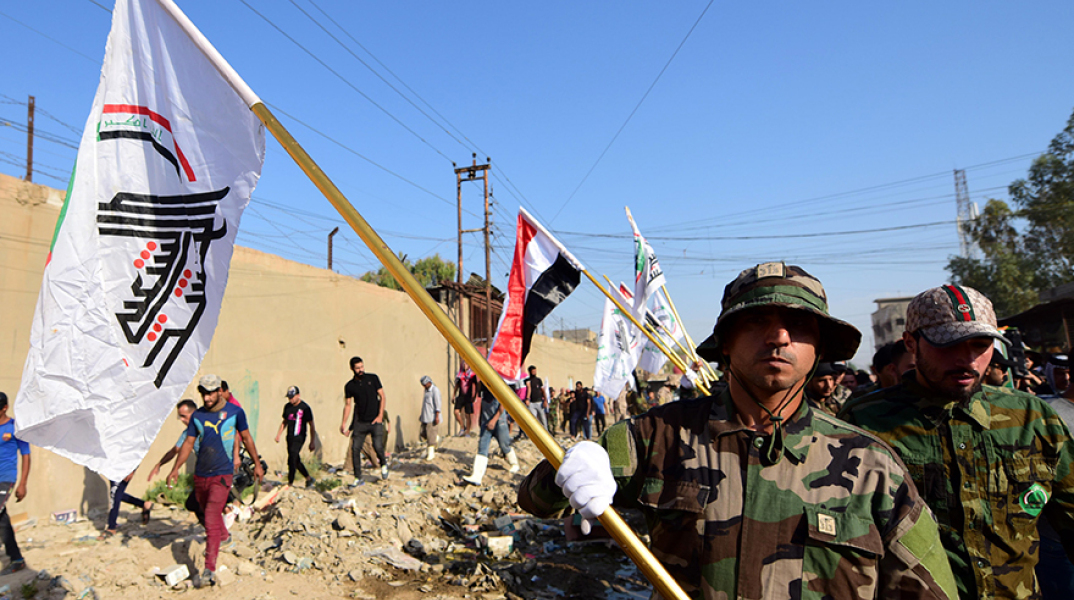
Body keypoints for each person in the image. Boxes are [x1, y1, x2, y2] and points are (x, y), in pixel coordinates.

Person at [518, 262, 956, 599]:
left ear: (819, 348)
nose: (779, 335)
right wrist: (569, 468)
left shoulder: (872, 467)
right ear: (725, 344)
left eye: (798, 325)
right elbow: (536, 501)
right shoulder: (657, 436)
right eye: (756, 321)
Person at [840, 284, 1074, 599]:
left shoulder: (1030, 417)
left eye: (980, 344)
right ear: (911, 342)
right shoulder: (864, 421)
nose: (967, 359)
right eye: (948, 345)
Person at [168, 375, 263, 587]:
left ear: (220, 391)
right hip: (201, 474)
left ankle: (209, 568)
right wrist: (175, 468)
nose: (207, 397)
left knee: (211, 515)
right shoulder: (198, 416)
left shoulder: (235, 412)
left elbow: (246, 438)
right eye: (203, 392)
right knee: (202, 507)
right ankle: (225, 536)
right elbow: (188, 443)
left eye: (211, 392)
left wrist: (256, 463)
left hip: (222, 474)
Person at [340, 356, 388, 483]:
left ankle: (383, 464)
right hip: (360, 423)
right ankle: (357, 477)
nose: (361, 370)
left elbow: (382, 396)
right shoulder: (349, 386)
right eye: (357, 368)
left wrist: (380, 416)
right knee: (355, 449)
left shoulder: (373, 378)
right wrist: (344, 423)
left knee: (378, 446)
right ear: (352, 369)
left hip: (375, 421)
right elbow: (348, 405)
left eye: (362, 367)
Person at [461, 380, 519, 485]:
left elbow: (502, 406)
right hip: (486, 424)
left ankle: (514, 464)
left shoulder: (499, 385)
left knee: (504, 445)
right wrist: (480, 420)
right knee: (482, 448)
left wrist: (493, 420)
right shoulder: (484, 387)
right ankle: (477, 476)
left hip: (499, 423)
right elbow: (483, 403)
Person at [0, 393, 30, 574]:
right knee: (2, 519)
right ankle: (17, 558)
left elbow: (26, 455)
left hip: (6, 478)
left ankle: (16, 558)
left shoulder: (15, 428)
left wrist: (23, 483)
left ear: (4, 408)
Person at [275, 386, 315, 488]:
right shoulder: (287, 407)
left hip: (300, 436)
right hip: (290, 436)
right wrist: (279, 434)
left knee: (292, 458)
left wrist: (312, 441)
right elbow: (285, 422)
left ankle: (290, 482)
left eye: (292, 397)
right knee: (295, 460)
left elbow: (311, 425)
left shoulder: (305, 408)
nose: (291, 399)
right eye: (289, 397)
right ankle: (308, 478)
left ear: (298, 395)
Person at [101, 470, 153, 538]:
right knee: (116, 494)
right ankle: (143, 504)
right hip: (113, 468)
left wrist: (131, 471)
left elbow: (136, 458)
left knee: (115, 495)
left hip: (124, 469)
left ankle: (111, 527)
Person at [419, 376, 441, 461]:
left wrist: (437, 416)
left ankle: (431, 454)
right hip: (425, 416)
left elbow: (438, 404)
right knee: (423, 433)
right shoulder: (426, 391)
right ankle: (437, 438)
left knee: (430, 435)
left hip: (432, 417)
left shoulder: (435, 390)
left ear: (429, 382)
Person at [453, 363, 476, 437]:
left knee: (468, 415)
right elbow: (457, 385)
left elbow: (475, 385)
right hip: (461, 396)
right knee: (456, 412)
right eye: (464, 364)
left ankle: (467, 431)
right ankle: (462, 427)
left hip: (468, 397)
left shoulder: (472, 375)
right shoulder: (460, 374)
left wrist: (474, 395)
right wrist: (453, 395)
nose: (465, 365)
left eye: (466, 364)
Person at [524, 365, 549, 432]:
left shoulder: (538, 380)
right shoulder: (527, 381)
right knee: (533, 419)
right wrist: (527, 399)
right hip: (531, 403)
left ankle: (546, 432)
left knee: (543, 419)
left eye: (535, 371)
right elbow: (527, 390)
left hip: (539, 402)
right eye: (533, 371)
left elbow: (542, 390)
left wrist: (545, 400)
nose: (534, 372)